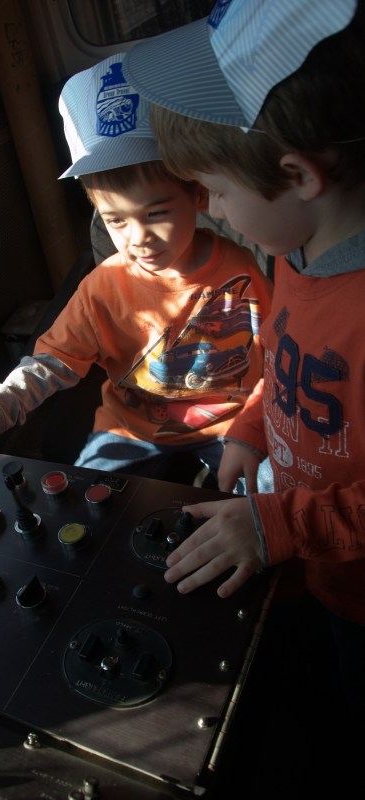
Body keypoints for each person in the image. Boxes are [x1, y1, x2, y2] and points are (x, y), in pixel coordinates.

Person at [124, 0, 365, 726]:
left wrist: (272, 528)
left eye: (218, 191)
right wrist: (253, 426)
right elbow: (283, 362)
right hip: (319, 561)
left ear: (297, 174)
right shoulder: (297, 250)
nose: (214, 212)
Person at [0, 52, 272, 484]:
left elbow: (280, 353)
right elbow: (48, 364)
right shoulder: (102, 289)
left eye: (156, 214)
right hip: (134, 430)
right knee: (87, 502)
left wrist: (250, 432)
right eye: (116, 220)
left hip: (231, 427)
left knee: (271, 496)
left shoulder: (240, 269)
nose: (138, 238)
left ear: (199, 197)